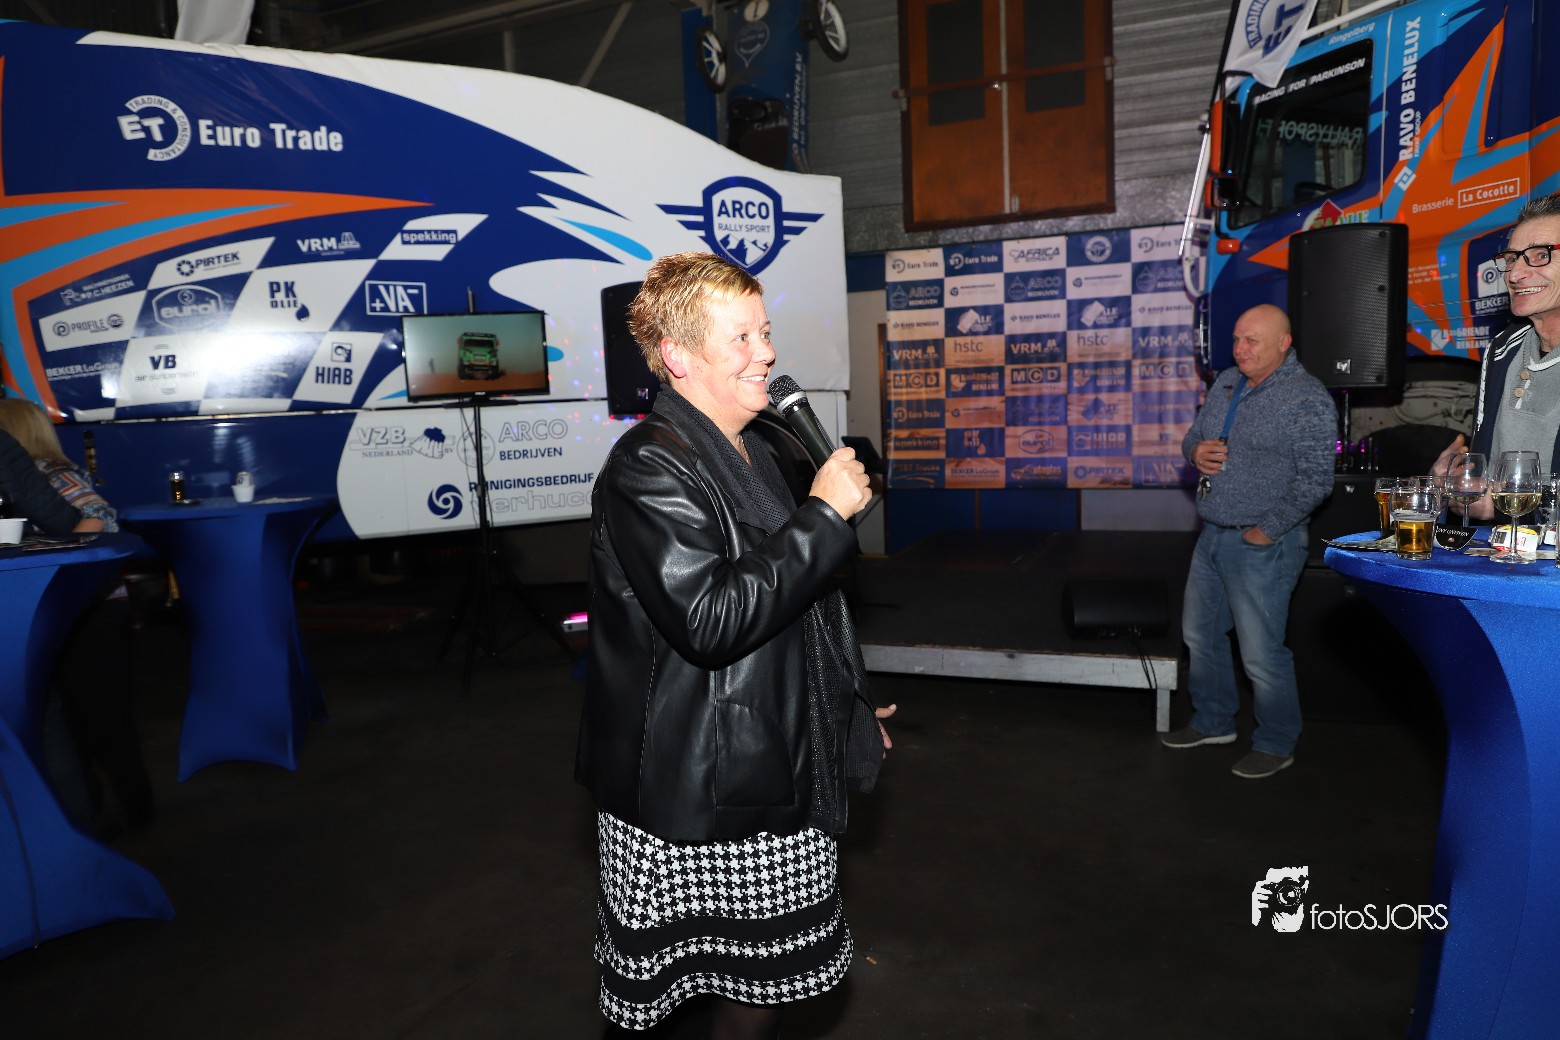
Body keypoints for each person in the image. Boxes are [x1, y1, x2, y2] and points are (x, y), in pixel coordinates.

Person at [575, 252, 893, 1038]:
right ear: (678, 356)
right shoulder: (647, 467)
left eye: (766, 332)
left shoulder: (759, 449)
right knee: (703, 1003)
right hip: (694, 791)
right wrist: (824, 517)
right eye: (742, 337)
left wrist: (841, 703)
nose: (767, 353)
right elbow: (713, 619)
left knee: (770, 986)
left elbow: (796, 600)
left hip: (771, 757)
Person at [1161, 304, 1336, 779]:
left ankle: (1276, 743)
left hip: (1264, 544)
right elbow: (1194, 435)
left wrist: (1266, 530)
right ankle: (1213, 722)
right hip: (1211, 536)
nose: (1240, 349)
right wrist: (1194, 451)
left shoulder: (1306, 398)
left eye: (1251, 340)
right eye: (1237, 339)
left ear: (1283, 343)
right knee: (1200, 637)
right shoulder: (1226, 382)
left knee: (1260, 653)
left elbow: (1316, 480)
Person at [0, 398, 153, 831]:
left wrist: (59, 564)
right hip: (61, 613)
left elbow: (101, 517)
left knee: (102, 720)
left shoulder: (50, 473)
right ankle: (88, 812)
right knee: (71, 720)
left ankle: (135, 812)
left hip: (90, 610)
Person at [1434, 190, 1560, 518]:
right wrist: (1450, 485)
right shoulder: (1502, 349)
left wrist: (1501, 507)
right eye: (1512, 258)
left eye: (1541, 255)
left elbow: (1495, 503)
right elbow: (1481, 479)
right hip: (1500, 547)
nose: (1515, 274)